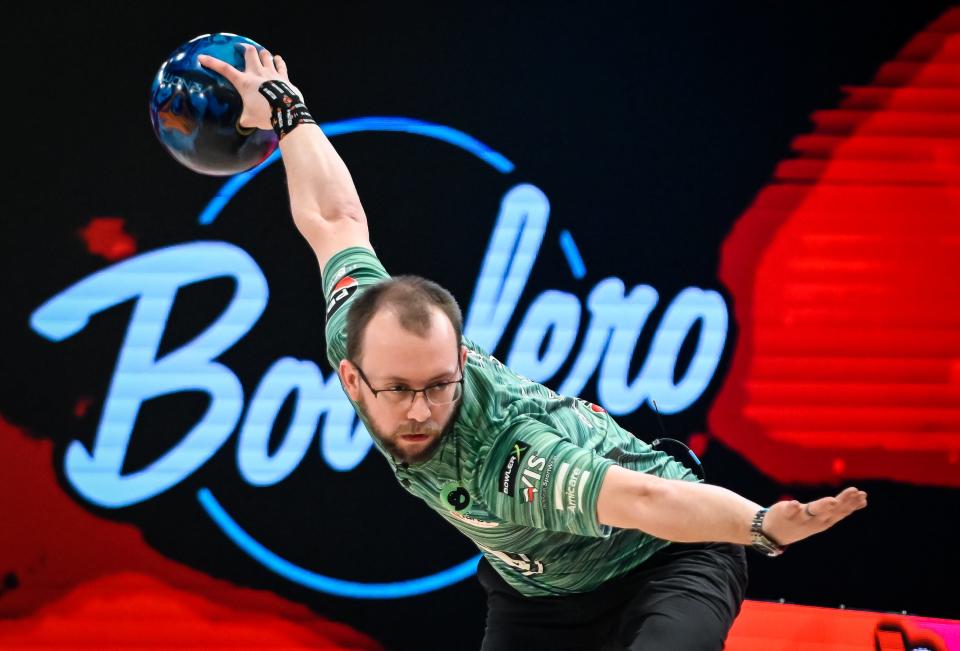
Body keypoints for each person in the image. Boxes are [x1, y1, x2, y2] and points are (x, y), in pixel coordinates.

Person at [199, 47, 868, 651]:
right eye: (397, 389)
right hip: (539, 595)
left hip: (664, 558)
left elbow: (646, 500)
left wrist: (761, 525)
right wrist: (289, 112)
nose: (421, 409)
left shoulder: (509, 457)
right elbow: (336, 220)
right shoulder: (360, 318)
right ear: (351, 376)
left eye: (438, 384)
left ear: (460, 361)